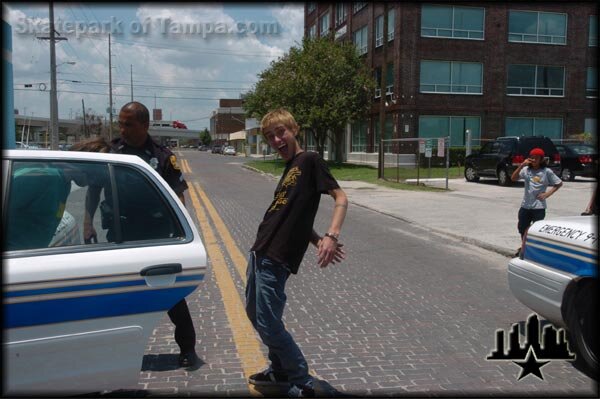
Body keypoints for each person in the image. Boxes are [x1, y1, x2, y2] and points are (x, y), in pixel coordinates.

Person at [78, 103, 199, 368]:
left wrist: (181, 231)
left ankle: (188, 349)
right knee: (118, 294)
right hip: (120, 233)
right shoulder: (112, 151)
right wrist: (88, 222)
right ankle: (116, 351)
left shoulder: (161, 156)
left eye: (128, 124)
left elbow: (178, 195)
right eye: (120, 123)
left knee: (171, 295)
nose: (122, 129)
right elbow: (94, 190)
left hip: (155, 235)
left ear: (144, 125)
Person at [245, 109, 348, 397]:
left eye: (281, 132)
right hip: (260, 252)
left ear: (294, 129)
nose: (276, 139)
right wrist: (317, 241)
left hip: (276, 257)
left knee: (267, 322)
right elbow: (298, 216)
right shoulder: (290, 167)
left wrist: (332, 235)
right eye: (270, 136)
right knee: (257, 316)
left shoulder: (310, 160)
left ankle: (301, 381)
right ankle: (279, 370)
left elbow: (341, 197)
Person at [5, 162, 88, 251]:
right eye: (91, 172)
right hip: (14, 252)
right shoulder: (42, 177)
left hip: (32, 253)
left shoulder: (64, 183)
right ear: (74, 165)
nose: (93, 179)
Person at [511, 147, 563, 256]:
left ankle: (534, 250)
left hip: (538, 207)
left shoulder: (546, 171)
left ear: (541, 159)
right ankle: (524, 246)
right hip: (525, 205)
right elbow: (513, 178)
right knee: (522, 227)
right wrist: (521, 165)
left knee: (536, 230)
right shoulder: (526, 170)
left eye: (536, 158)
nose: (533, 160)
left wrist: (547, 194)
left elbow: (558, 183)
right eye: (532, 158)